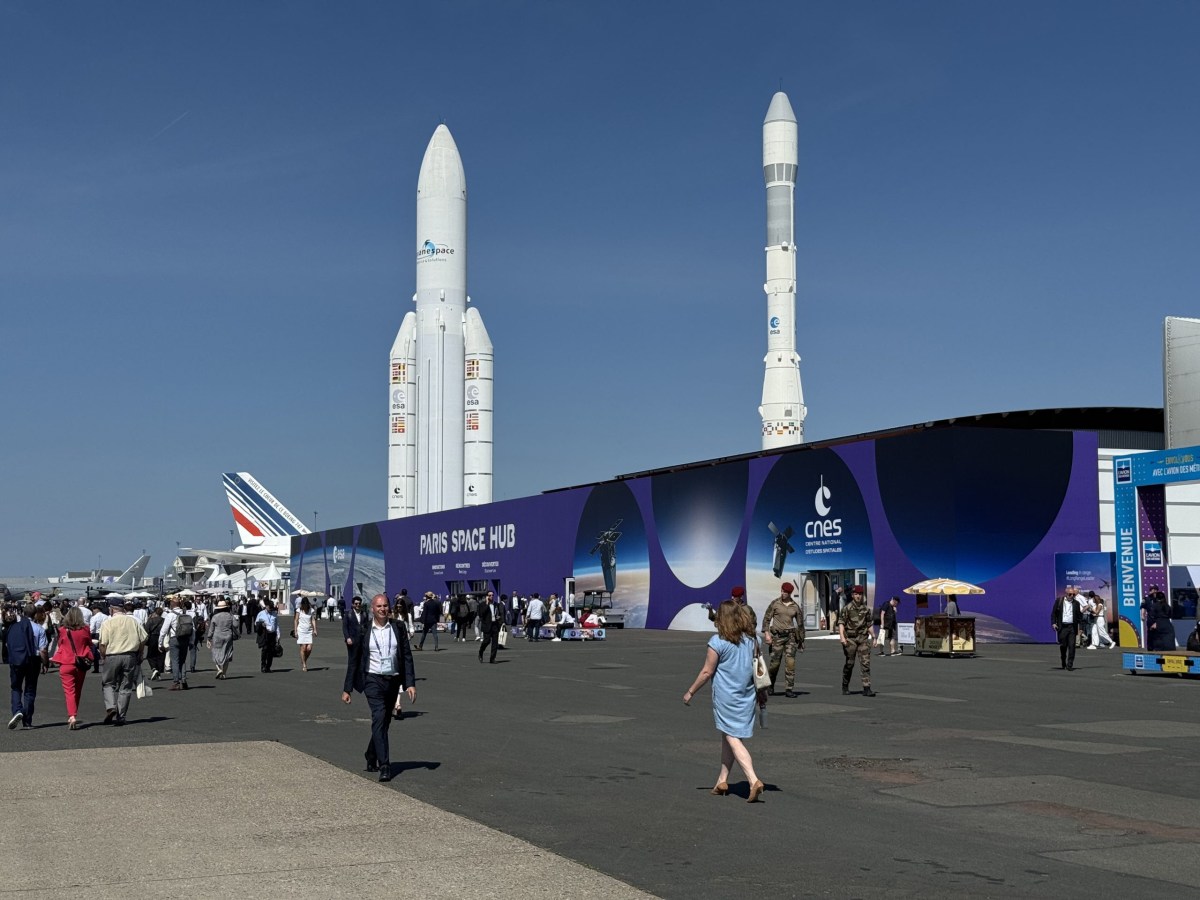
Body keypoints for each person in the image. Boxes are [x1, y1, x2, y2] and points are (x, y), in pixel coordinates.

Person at [682, 600, 764, 803]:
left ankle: (753, 780)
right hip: (747, 695)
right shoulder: (753, 641)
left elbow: (707, 671)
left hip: (726, 697)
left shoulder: (717, 642)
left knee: (732, 738)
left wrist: (690, 692)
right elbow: (759, 669)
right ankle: (722, 781)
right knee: (729, 737)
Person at [342, 594, 417, 783]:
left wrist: (410, 684)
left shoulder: (398, 627)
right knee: (379, 716)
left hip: (392, 679)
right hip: (372, 679)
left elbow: (407, 656)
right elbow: (355, 659)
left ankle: (370, 754)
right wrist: (347, 688)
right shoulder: (364, 630)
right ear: (372, 609)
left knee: (385, 721)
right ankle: (385, 765)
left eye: (385, 606)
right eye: (379, 606)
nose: (383, 609)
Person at [97, 599, 147, 726]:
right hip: (130, 656)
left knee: (108, 683)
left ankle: (111, 706)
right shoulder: (133, 621)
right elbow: (143, 639)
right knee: (126, 686)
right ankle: (121, 716)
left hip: (112, 655)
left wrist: (103, 656)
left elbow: (103, 644)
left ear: (112, 609)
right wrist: (140, 653)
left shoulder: (107, 622)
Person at [7, 602, 49, 729]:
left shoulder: (14, 627)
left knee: (16, 687)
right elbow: (43, 650)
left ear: (23, 613)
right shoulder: (39, 629)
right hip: (33, 659)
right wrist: (45, 663)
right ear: (35, 614)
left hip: (17, 660)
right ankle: (27, 720)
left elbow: (8, 644)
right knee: (30, 690)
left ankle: (17, 710)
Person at [50, 607, 93, 729]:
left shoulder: (63, 630)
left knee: (69, 691)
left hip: (66, 662)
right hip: (81, 662)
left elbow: (60, 644)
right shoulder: (85, 629)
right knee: (77, 691)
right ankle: (74, 714)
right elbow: (89, 643)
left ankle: (72, 715)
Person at [762, 583, 803, 697]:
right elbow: (766, 619)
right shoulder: (775, 603)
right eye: (782, 591)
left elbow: (800, 625)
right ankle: (770, 685)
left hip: (790, 638)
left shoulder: (795, 606)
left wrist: (801, 641)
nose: (783, 593)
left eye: (785, 592)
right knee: (774, 664)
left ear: (790, 593)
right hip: (777, 637)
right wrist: (767, 634)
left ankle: (789, 689)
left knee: (790, 663)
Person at [838, 585, 876, 696]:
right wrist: (842, 637)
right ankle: (845, 685)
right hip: (851, 639)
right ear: (852, 595)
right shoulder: (847, 608)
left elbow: (869, 624)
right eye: (856, 594)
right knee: (850, 663)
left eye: (859, 594)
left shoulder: (866, 609)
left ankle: (866, 688)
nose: (858, 596)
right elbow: (841, 623)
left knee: (865, 663)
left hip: (863, 639)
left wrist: (874, 637)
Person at [160, 599, 194, 691]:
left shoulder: (170, 615)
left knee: (175, 661)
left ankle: (176, 682)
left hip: (175, 638)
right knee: (182, 661)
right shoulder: (187, 614)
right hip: (185, 639)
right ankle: (184, 681)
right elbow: (192, 629)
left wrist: (160, 643)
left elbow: (164, 630)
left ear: (171, 605)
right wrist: (191, 641)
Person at [1051, 585, 1083, 670]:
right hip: (1062, 627)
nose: (1071, 596)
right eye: (1070, 594)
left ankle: (1070, 665)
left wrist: (1081, 628)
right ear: (1066, 594)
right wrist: (1053, 623)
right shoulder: (1059, 601)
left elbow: (1080, 616)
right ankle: (1063, 660)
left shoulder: (1076, 603)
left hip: (1072, 627)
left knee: (1072, 646)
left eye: (1073, 594)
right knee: (1063, 645)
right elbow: (1053, 613)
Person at [206, 598, 239, 678]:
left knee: (215, 652)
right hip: (228, 635)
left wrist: (208, 638)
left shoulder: (215, 616)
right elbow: (236, 625)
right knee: (227, 653)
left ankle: (219, 669)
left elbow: (211, 629)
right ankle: (224, 673)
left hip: (217, 636)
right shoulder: (230, 615)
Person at [478, 591, 504, 663]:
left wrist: (498, 618)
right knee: (487, 641)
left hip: (494, 625)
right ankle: (481, 652)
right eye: (489, 595)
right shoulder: (482, 604)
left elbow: (499, 613)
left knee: (495, 643)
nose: (491, 597)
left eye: (492, 595)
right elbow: (481, 614)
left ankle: (492, 658)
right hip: (486, 625)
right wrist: (486, 604)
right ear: (487, 596)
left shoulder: (496, 604)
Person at [255, 601, 281, 672]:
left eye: (272, 608)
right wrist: (261, 624)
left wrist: (278, 635)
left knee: (271, 651)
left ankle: (268, 667)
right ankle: (263, 666)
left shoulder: (274, 614)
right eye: (270, 607)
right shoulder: (261, 614)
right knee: (265, 649)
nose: (271, 609)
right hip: (265, 634)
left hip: (273, 634)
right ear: (266, 606)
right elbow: (256, 623)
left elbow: (277, 625)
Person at [294, 598, 317, 671]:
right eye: (303, 605)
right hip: (301, 630)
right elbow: (296, 620)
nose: (305, 606)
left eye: (306, 605)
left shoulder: (311, 610)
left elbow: (313, 620)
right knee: (303, 648)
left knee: (309, 648)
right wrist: (295, 631)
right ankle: (304, 664)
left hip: (309, 631)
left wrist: (315, 629)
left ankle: (304, 660)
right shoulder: (299, 610)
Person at [144, 605, 165, 679]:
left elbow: (146, 630)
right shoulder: (164, 620)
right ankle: (159, 671)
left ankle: (154, 668)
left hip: (152, 638)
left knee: (150, 655)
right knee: (160, 655)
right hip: (162, 638)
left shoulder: (151, 620)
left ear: (155, 613)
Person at [343, 596, 365, 665]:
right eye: (356, 604)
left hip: (362, 640)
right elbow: (345, 627)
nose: (358, 605)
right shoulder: (348, 614)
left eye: (359, 603)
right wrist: (347, 638)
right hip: (352, 640)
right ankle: (351, 676)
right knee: (352, 661)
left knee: (362, 660)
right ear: (353, 604)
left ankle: (360, 676)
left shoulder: (364, 614)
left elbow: (367, 626)